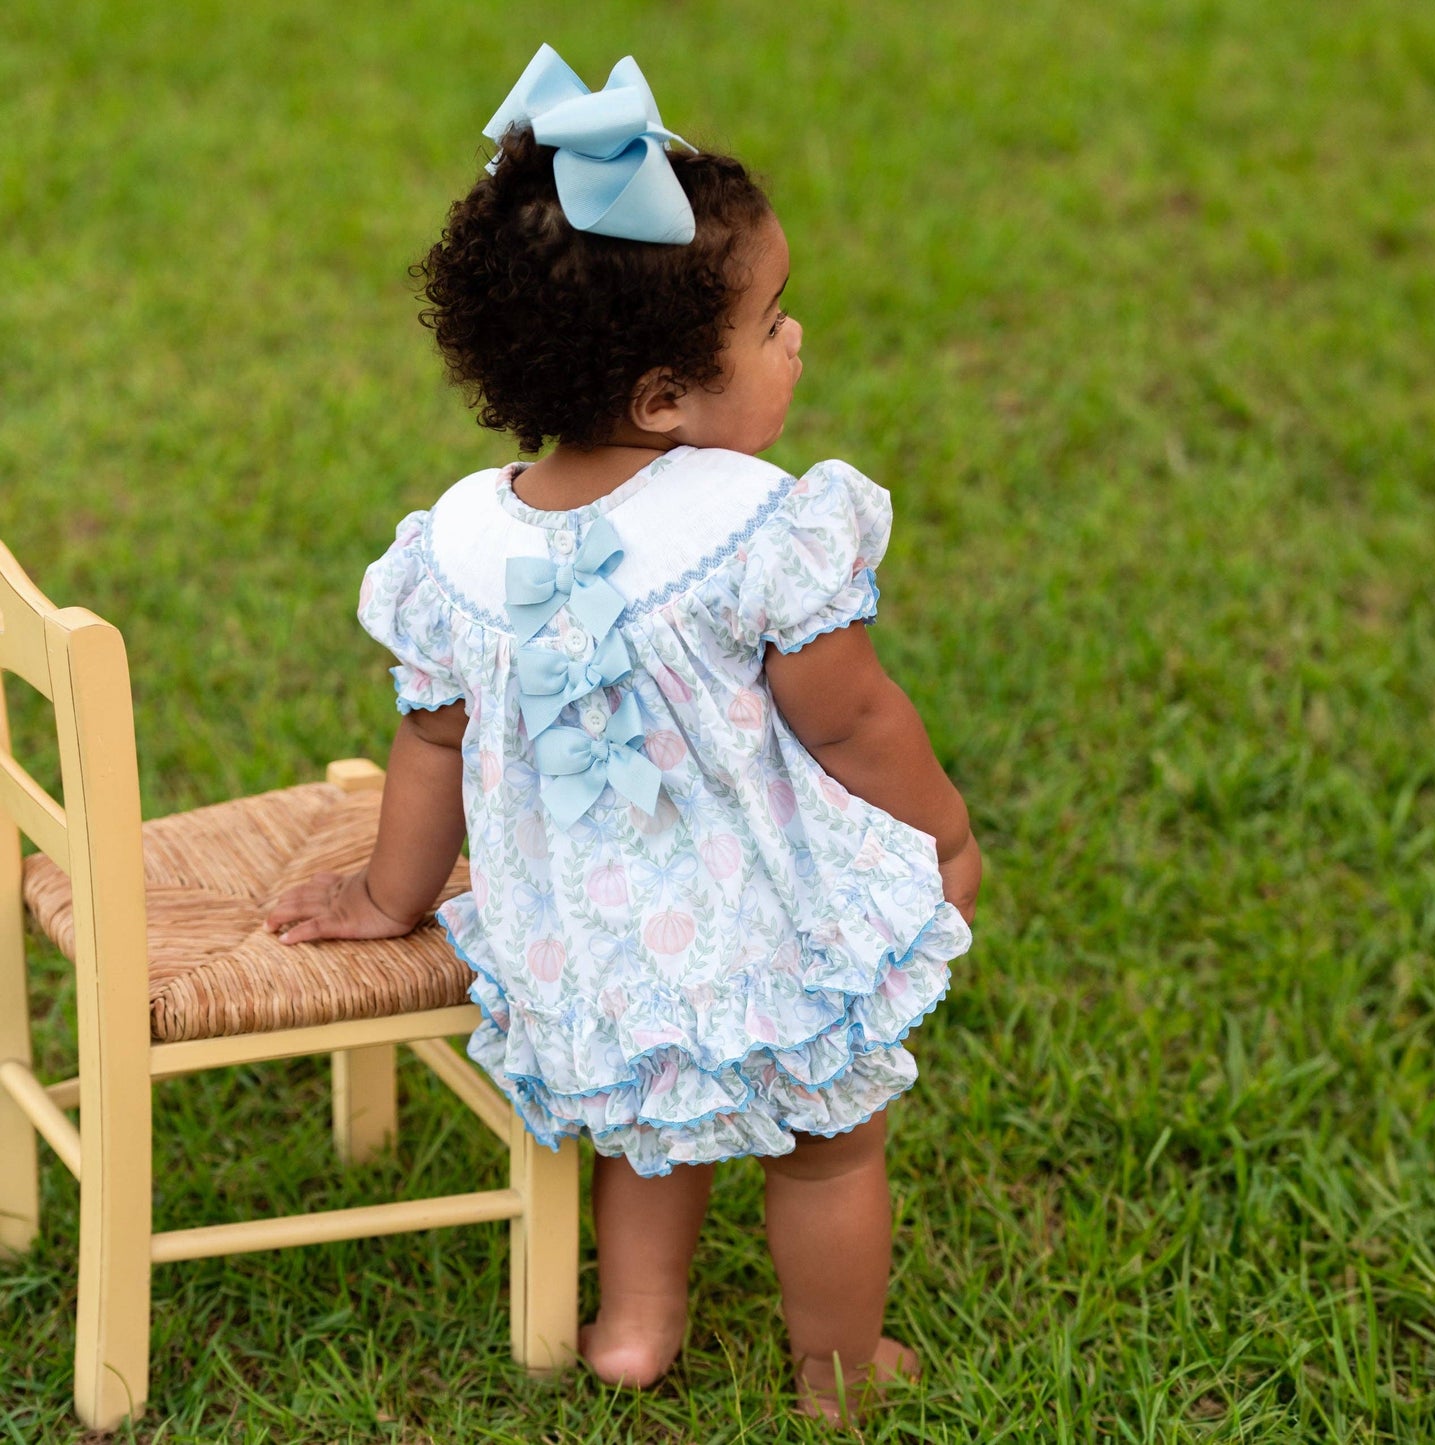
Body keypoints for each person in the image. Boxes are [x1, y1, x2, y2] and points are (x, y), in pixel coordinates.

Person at [265, 43, 981, 1425]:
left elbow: (431, 742)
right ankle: (839, 1369)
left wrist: (388, 897)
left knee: (650, 1127)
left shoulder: (459, 541)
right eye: (773, 322)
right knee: (830, 1146)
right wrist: (938, 832)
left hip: (586, 936)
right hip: (766, 915)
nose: (796, 341)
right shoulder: (754, 526)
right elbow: (849, 718)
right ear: (662, 399)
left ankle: (636, 1328)